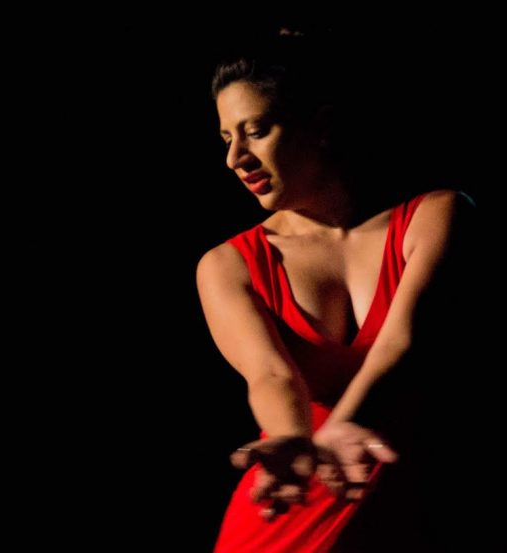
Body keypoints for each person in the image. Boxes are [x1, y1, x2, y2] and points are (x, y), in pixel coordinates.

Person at [196, 29, 476, 552]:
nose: (235, 158)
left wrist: (342, 427)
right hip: (294, 508)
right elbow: (272, 375)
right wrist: (294, 438)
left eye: (256, 131)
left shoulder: (436, 217)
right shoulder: (228, 264)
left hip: (418, 509)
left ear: (319, 125)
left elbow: (402, 342)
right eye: (226, 138)